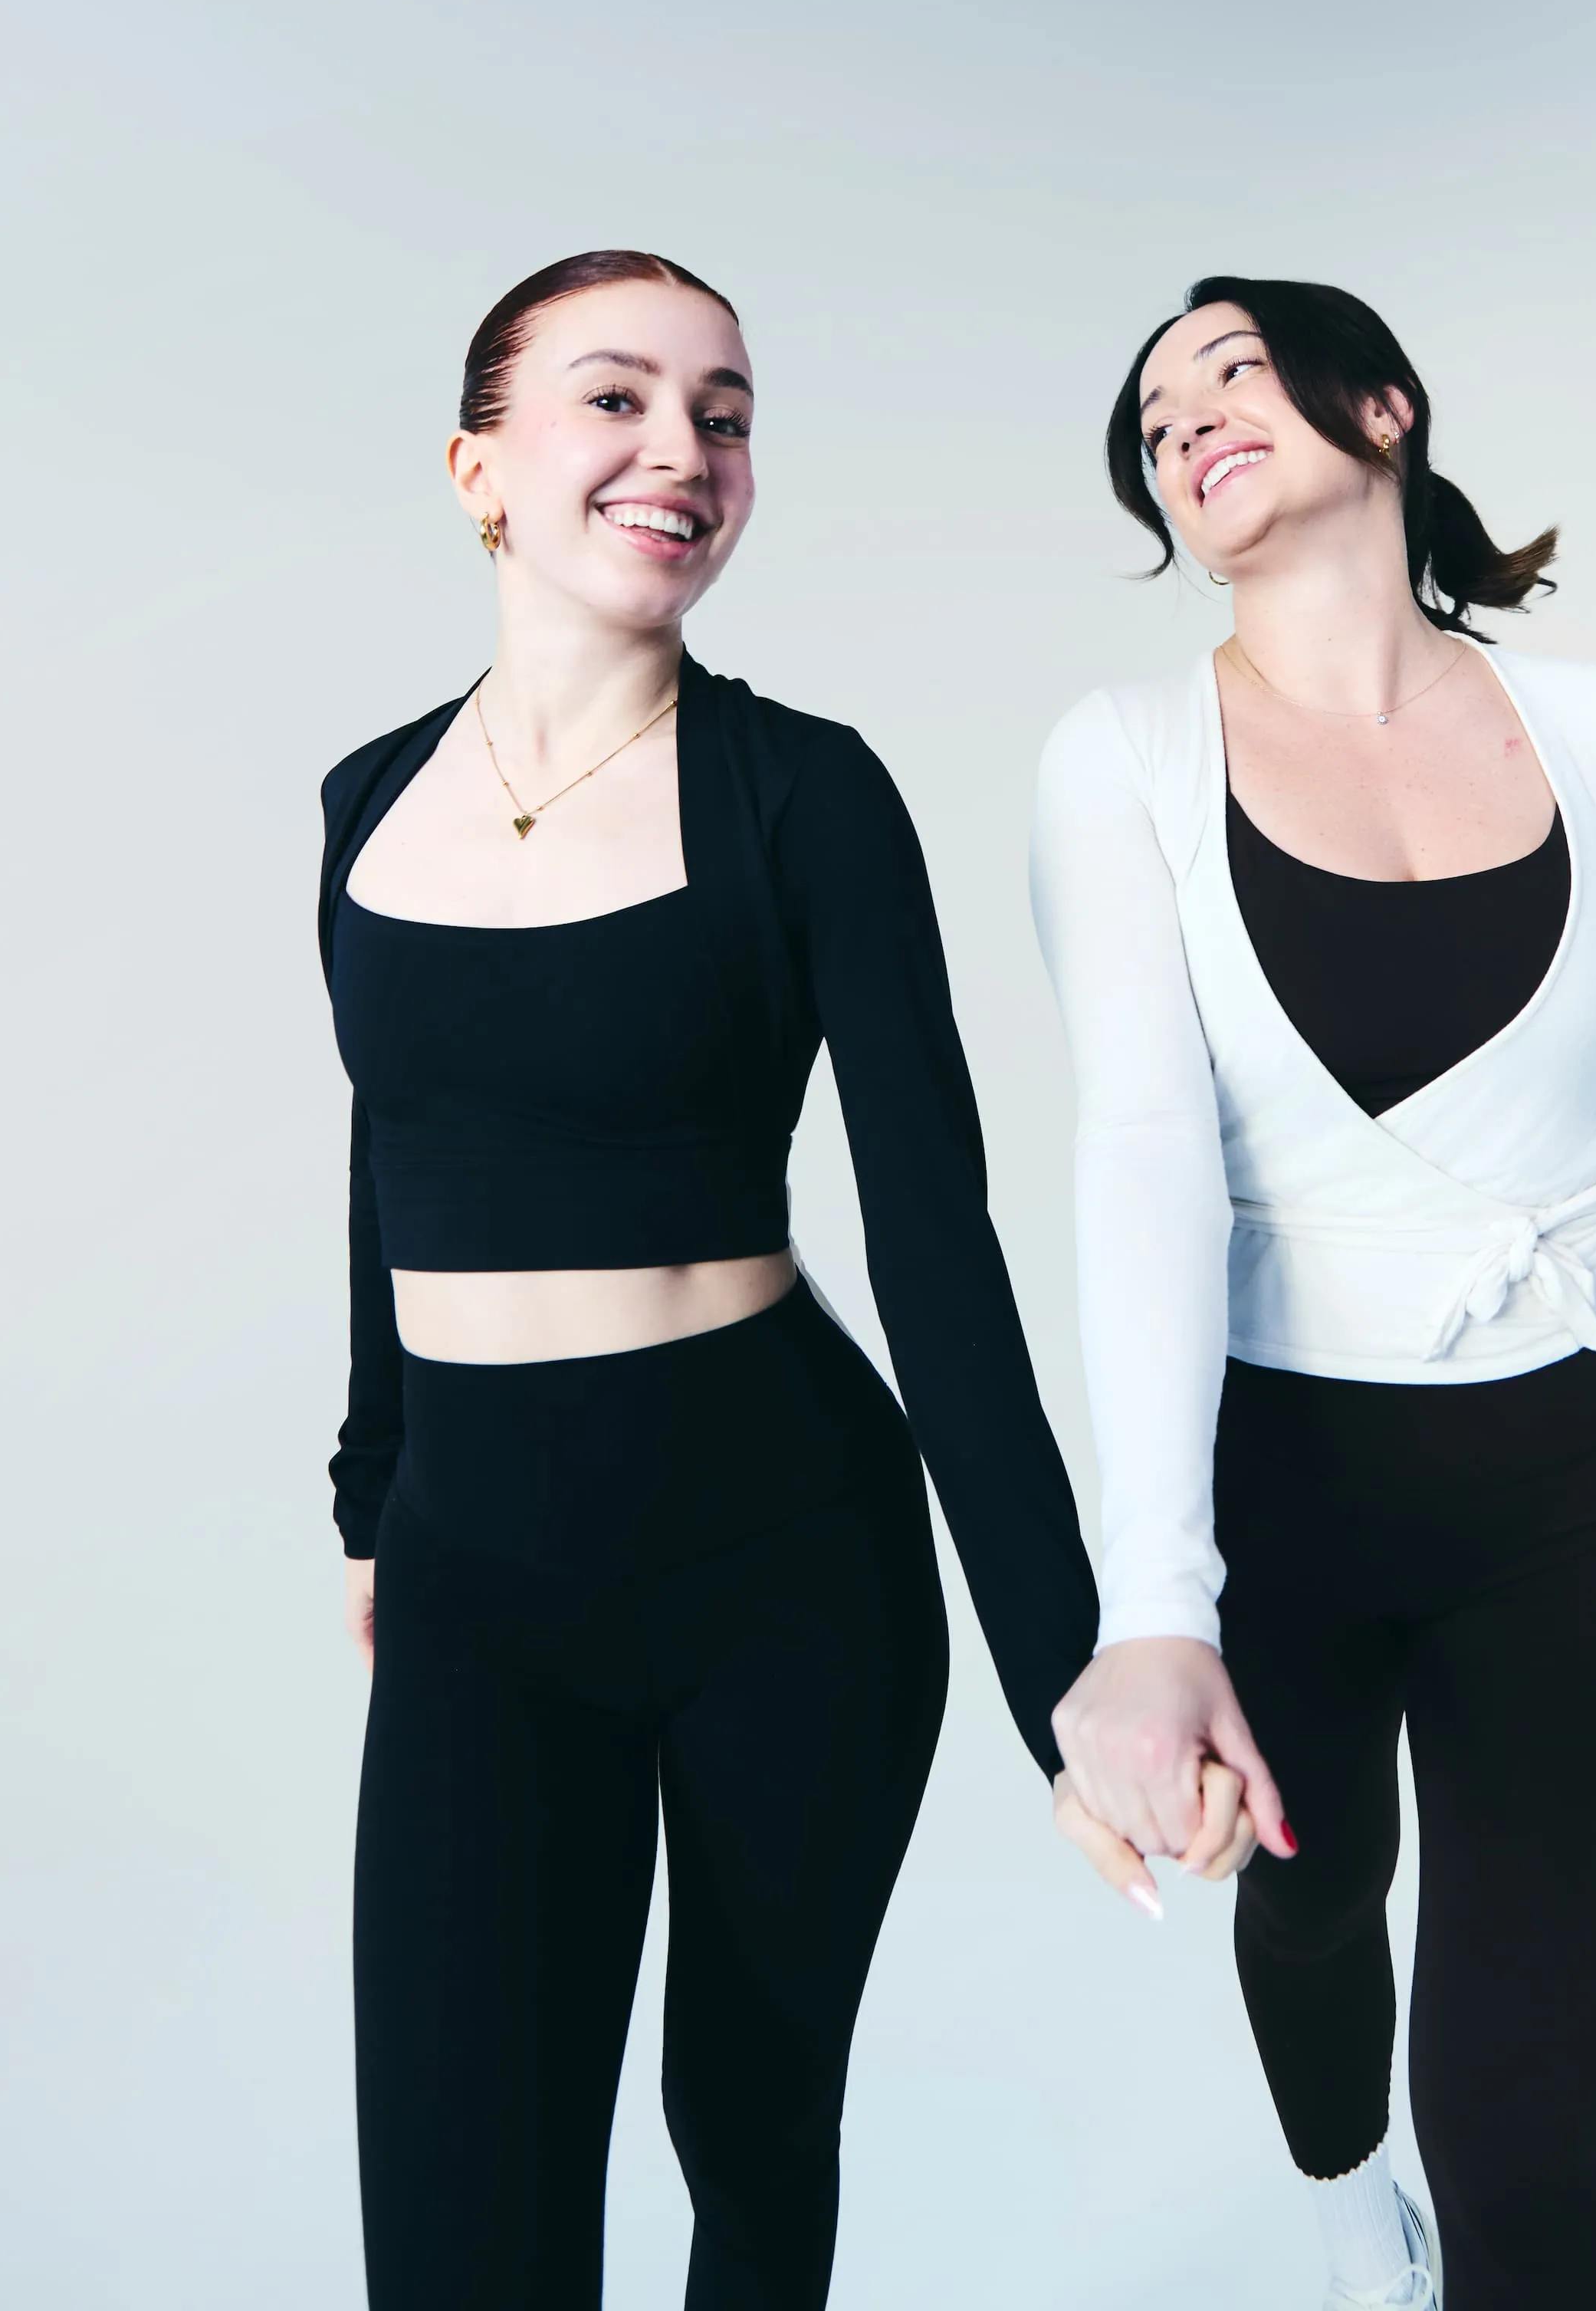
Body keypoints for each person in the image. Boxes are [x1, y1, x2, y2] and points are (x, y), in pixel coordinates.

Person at [1030, 275, 1596, 2311]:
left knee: (1518, 2126)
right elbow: (1141, 1167)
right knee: (1315, 1922)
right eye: (1155, 411)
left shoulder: (1594, 729)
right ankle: (1349, 2217)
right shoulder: (1122, 761)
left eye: (1231, 369)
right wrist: (1155, 1608)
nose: (1187, 417)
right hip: (1290, 1494)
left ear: (1383, 410)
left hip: (1579, 1488)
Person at [318, 248, 1096, 2311]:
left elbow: (937, 1248)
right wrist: (369, 1485)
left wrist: (1068, 1676)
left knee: (746, 2145)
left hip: (784, 1567)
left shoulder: (806, 797)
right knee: (461, 2227)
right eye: (617, 398)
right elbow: (387, 1141)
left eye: (726, 414)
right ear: (479, 467)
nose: (684, 449)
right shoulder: (360, 808)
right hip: (479, 1578)